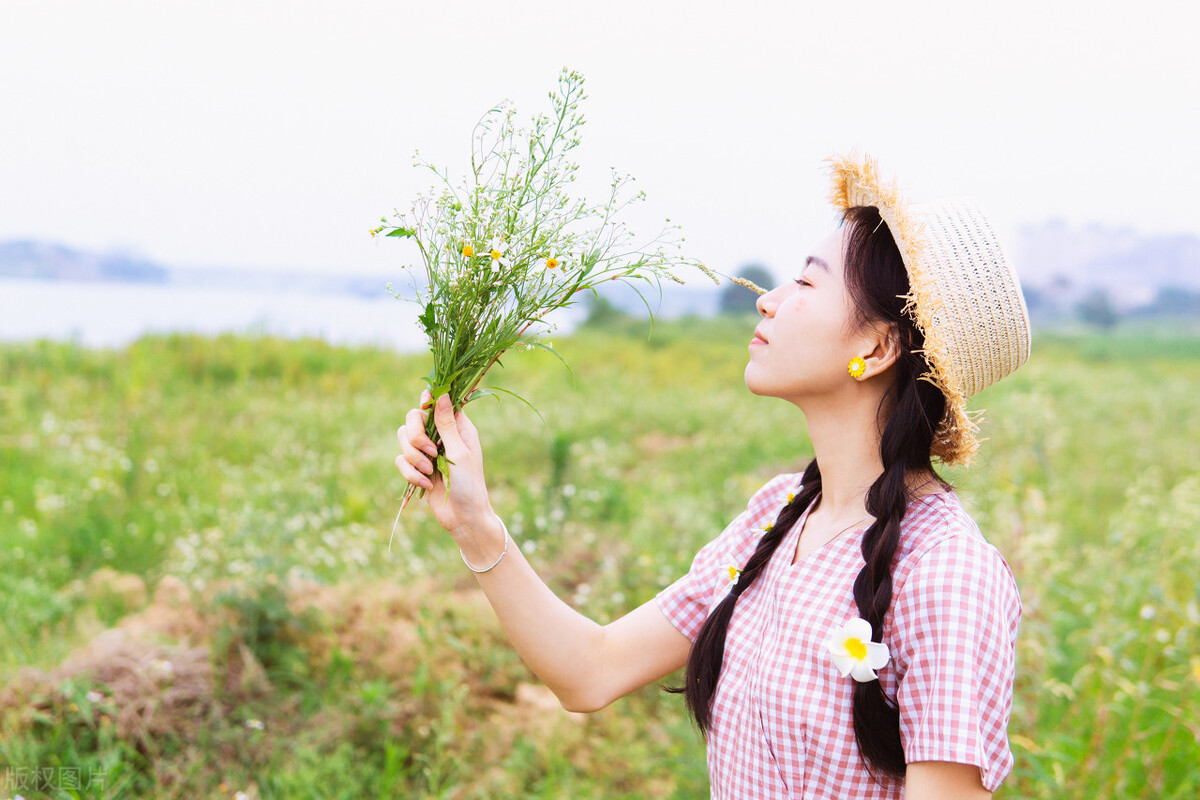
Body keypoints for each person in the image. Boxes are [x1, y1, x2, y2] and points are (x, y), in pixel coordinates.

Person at [394, 152, 1032, 799]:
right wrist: (474, 522)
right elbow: (591, 671)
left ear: (877, 348)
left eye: (807, 285)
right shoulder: (777, 516)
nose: (768, 303)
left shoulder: (945, 573)